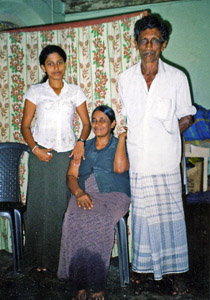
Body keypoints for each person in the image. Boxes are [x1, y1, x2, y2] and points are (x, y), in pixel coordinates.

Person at [118, 15, 196, 295]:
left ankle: (176, 273)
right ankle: (143, 268)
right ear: (136, 44)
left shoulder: (176, 77)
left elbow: (186, 115)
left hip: (165, 161)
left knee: (171, 218)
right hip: (139, 161)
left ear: (163, 44)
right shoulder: (125, 79)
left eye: (154, 41)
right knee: (142, 218)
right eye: (144, 40)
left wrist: (168, 133)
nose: (149, 46)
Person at [21, 45, 91, 273]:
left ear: (65, 63)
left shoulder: (75, 92)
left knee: (59, 207)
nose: (55, 68)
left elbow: (86, 123)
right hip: (40, 154)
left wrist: (81, 141)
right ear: (43, 67)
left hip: (66, 155)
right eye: (50, 64)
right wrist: (34, 149)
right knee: (37, 206)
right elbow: (25, 126)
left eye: (59, 62)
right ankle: (35, 261)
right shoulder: (36, 92)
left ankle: (55, 262)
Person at [57, 105, 131, 300]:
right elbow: (71, 175)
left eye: (103, 120)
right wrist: (79, 192)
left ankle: (97, 284)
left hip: (114, 193)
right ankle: (79, 282)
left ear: (112, 124)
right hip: (85, 192)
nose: (98, 124)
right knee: (72, 219)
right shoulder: (83, 147)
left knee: (100, 220)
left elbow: (120, 169)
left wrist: (122, 140)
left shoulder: (120, 144)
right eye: (95, 120)